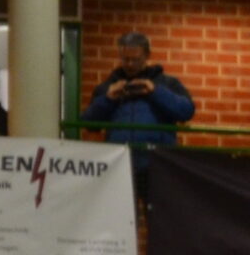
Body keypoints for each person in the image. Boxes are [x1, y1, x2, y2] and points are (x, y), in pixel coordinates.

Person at [83, 32, 194, 178]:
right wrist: (108, 99)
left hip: (158, 164)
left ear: (147, 56)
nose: (130, 64)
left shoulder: (168, 83)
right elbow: (89, 123)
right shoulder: (108, 87)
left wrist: (156, 92)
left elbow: (187, 111)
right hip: (118, 164)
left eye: (135, 60)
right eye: (125, 59)